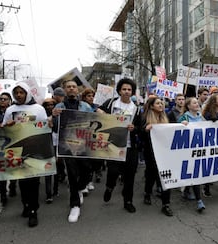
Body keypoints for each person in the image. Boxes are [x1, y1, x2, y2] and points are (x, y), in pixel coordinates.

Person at [2, 82, 48, 227]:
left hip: (34, 149)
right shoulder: (10, 109)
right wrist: (6, 126)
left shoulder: (39, 109)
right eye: (16, 93)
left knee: (33, 182)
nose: (19, 95)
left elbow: (44, 128)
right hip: (17, 150)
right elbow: (3, 129)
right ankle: (26, 204)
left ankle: (34, 211)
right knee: (22, 181)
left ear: (27, 93)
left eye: (22, 92)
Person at [52, 80, 94, 223]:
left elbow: (94, 123)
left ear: (78, 90)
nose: (71, 89)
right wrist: (54, 116)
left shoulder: (86, 106)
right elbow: (55, 127)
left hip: (83, 146)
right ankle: (74, 205)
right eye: (68, 87)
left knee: (87, 171)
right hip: (67, 146)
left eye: (74, 87)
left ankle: (80, 188)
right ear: (64, 90)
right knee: (71, 173)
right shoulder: (59, 106)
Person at [98, 78, 141, 213]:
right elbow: (98, 111)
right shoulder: (111, 103)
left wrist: (134, 128)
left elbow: (140, 126)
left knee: (130, 175)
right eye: (124, 89)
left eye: (129, 90)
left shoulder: (136, 109)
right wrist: (103, 114)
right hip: (113, 145)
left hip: (130, 146)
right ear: (119, 91)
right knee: (113, 171)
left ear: (132, 92)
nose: (127, 92)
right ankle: (110, 186)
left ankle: (128, 200)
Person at [141, 96, 173, 216]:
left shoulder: (167, 117)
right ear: (151, 106)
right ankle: (147, 193)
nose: (161, 105)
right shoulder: (145, 118)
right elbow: (140, 135)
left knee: (166, 177)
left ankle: (166, 204)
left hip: (165, 153)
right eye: (158, 103)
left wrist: (183, 124)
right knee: (151, 175)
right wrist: (145, 130)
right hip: (151, 153)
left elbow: (175, 128)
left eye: (162, 103)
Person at [177, 97, 206, 212]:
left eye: (197, 102)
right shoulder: (184, 117)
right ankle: (199, 201)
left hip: (200, 149)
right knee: (194, 174)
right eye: (194, 102)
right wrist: (181, 124)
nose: (197, 104)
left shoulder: (201, 116)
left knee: (195, 173)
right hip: (188, 150)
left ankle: (186, 191)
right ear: (188, 106)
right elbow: (175, 129)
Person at [0, 92, 17, 205]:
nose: (2, 100)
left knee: (13, 165)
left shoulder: (14, 111)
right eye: (0, 98)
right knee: (1, 168)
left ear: (9, 100)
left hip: (13, 141)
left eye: (5, 99)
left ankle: (12, 186)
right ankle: (2, 194)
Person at [42, 98, 59, 203]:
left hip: (57, 145)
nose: (49, 107)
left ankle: (55, 190)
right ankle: (49, 194)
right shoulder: (42, 116)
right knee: (48, 169)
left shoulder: (59, 116)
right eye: (47, 105)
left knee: (57, 170)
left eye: (52, 104)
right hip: (46, 145)